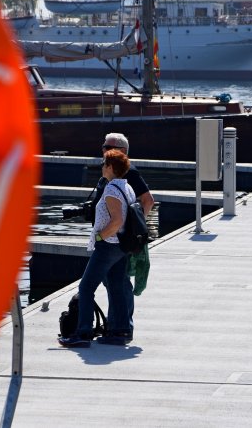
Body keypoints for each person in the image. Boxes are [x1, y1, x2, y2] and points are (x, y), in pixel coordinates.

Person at [59, 149, 135, 348]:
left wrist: (101, 236)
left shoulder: (111, 190)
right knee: (117, 288)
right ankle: (121, 331)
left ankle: (83, 332)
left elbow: (117, 220)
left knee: (86, 288)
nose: (102, 167)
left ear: (110, 167)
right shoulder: (127, 187)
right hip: (121, 246)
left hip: (108, 246)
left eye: (104, 164)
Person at [98, 133, 153, 343]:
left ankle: (121, 328)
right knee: (114, 281)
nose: (103, 151)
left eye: (107, 147)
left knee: (118, 282)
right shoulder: (112, 174)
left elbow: (147, 200)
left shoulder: (129, 171)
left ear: (122, 151)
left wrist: (133, 228)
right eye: (103, 147)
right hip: (112, 237)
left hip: (117, 239)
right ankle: (117, 324)